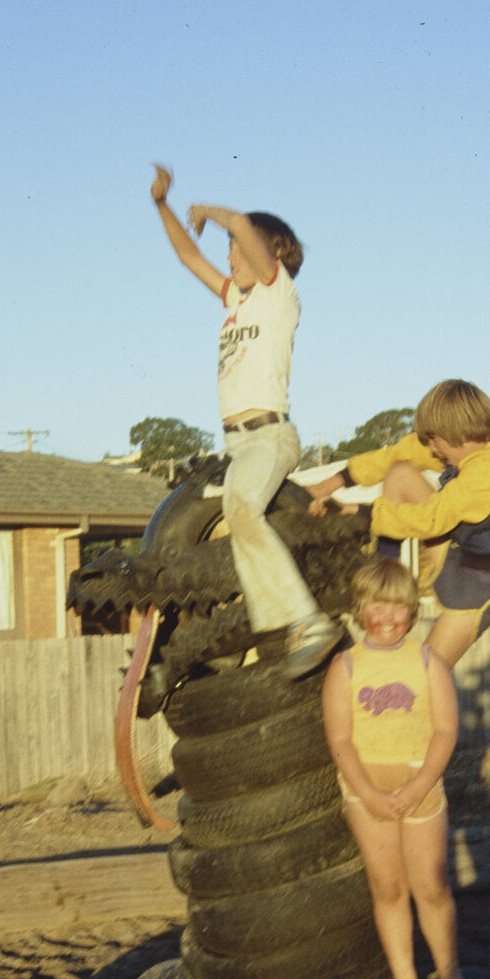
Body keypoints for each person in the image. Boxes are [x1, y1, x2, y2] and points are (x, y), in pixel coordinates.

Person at [150, 163, 341, 680]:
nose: (229, 257)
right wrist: (162, 205)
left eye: (236, 249)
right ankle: (233, 639)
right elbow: (190, 257)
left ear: (267, 252)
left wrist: (208, 212)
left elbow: (238, 223)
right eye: (230, 251)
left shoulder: (279, 294)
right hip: (235, 444)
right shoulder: (235, 300)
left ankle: (307, 622)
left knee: (241, 510)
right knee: (226, 531)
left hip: (268, 437)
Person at [322, 557, 478, 979]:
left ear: (412, 611)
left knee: (431, 885)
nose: (388, 618)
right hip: (366, 791)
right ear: (359, 610)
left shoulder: (428, 662)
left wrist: (419, 785)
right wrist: (369, 794)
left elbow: (445, 732)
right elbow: (340, 740)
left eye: (398, 608)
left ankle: (450, 974)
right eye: (378, 607)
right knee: (388, 889)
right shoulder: (345, 667)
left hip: (420, 786)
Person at [306, 378, 490, 669]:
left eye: (434, 441)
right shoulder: (462, 446)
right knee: (400, 472)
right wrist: (328, 485)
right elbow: (397, 454)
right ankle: (386, 586)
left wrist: (357, 511)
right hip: (459, 557)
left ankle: (391, 598)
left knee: (425, 675)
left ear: (461, 434)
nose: (432, 449)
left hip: (488, 584)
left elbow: (431, 520)